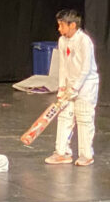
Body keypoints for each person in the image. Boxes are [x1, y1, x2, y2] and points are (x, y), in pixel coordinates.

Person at [42, 9, 100, 166]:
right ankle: (62, 152)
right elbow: (63, 66)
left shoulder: (84, 41)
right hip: (69, 85)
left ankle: (86, 155)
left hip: (86, 85)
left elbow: (85, 69)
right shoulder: (62, 41)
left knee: (84, 118)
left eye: (62, 25)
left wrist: (75, 88)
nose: (59, 29)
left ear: (72, 25)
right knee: (64, 117)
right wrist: (62, 87)